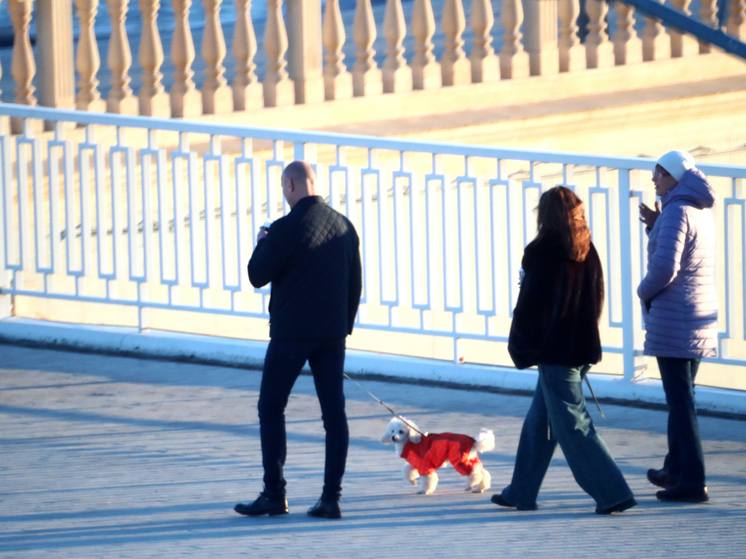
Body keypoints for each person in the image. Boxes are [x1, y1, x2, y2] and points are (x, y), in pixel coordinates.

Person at [492, 186, 636, 515]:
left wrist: (526, 346)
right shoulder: (586, 246)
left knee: (573, 425)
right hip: (580, 346)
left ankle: (613, 493)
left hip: (555, 352)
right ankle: (520, 492)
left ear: (545, 215)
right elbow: (595, 298)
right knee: (540, 421)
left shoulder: (542, 249)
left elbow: (531, 307)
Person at [234, 161, 362, 520]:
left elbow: (257, 275)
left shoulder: (284, 228)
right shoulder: (344, 225)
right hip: (332, 334)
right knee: (333, 413)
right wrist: (341, 329)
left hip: (290, 334)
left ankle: (275, 494)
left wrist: (262, 243)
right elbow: (355, 284)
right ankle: (330, 498)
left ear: (290, 186)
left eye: (282, 187)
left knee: (271, 407)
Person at [638, 150, 717, 504]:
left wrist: (641, 291)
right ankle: (675, 469)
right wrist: (658, 226)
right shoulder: (697, 209)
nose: (654, 179)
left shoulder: (676, 212)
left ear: (674, 177)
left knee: (681, 401)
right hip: (696, 316)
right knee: (682, 398)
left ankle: (693, 481)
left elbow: (665, 269)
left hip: (674, 319)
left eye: (659, 174)